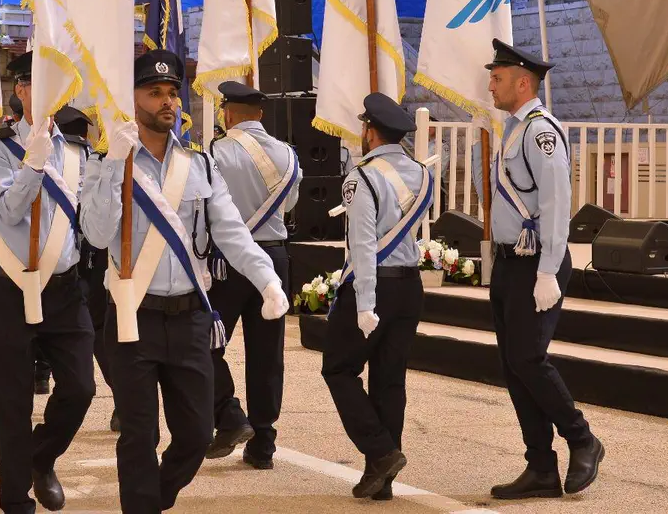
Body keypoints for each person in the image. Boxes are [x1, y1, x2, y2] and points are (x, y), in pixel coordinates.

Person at [79, 50, 289, 514]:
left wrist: (267, 280)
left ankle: (152, 501)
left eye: (172, 92)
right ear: (131, 100)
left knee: (195, 436)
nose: (167, 102)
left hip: (191, 319)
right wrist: (115, 164)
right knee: (139, 435)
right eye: (154, 92)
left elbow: (231, 232)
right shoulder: (106, 162)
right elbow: (95, 234)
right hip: (133, 318)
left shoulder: (199, 164)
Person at [481, 39, 603, 499]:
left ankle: (582, 438)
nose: (490, 86)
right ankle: (541, 467)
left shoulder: (540, 132)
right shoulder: (513, 130)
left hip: (536, 264)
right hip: (511, 262)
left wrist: (549, 269)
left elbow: (554, 203)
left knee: (528, 359)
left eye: (497, 79)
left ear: (523, 83)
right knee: (514, 366)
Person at [0, 50, 95, 513]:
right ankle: (15, 501)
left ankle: (41, 457)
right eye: (34, 84)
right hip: (12, 287)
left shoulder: (77, 150)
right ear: (21, 90)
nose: (43, 92)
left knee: (81, 389)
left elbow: (90, 223)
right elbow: (6, 213)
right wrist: (32, 164)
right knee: (12, 402)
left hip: (64, 288)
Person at [321, 93, 433, 500]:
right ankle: (381, 479)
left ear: (370, 132)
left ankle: (381, 451)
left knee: (338, 369)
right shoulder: (422, 175)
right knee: (389, 379)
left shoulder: (362, 178)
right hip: (409, 285)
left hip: (372, 287)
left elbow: (364, 244)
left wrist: (365, 302)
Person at [205, 80, 301, 469]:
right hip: (274, 256)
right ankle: (263, 444)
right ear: (260, 114)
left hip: (228, 260)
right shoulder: (288, 155)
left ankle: (229, 413)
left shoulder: (216, 151)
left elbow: (207, 205)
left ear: (227, 114)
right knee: (267, 353)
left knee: (205, 342)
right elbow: (289, 205)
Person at [57, 105, 119, 432]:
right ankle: (122, 398)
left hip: (72, 254)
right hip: (97, 254)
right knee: (100, 326)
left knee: (88, 325)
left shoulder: (57, 157)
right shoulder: (97, 156)